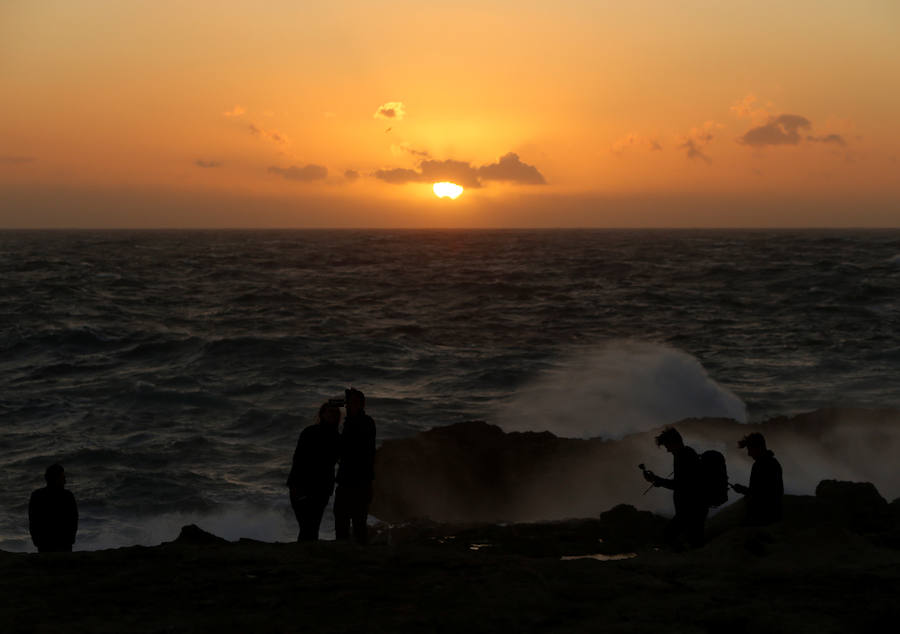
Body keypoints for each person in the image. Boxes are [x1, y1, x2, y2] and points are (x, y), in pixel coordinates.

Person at [642, 427, 708, 549]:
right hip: (692, 509)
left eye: (667, 445)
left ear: (674, 442)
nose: (667, 450)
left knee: (670, 537)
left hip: (691, 509)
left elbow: (681, 485)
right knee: (692, 541)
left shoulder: (684, 456)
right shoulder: (685, 454)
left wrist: (658, 480)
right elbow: (682, 483)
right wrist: (657, 480)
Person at [287, 401, 341, 541]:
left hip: (322, 489)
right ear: (322, 414)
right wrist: (295, 486)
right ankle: (304, 556)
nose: (333, 415)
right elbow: (298, 460)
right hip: (302, 486)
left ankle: (305, 556)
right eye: (330, 411)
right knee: (307, 527)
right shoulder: (310, 432)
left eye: (335, 412)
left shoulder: (337, 437)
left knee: (312, 527)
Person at [333, 388, 376, 544]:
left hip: (360, 483)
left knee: (359, 525)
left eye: (354, 403)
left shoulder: (365, 422)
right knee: (341, 523)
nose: (350, 405)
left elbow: (353, 447)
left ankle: (358, 557)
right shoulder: (350, 422)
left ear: (362, 404)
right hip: (347, 481)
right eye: (349, 403)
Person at [732, 432, 783, 526]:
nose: (749, 454)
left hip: (763, 517)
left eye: (750, 449)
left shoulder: (761, 465)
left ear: (759, 448)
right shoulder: (773, 463)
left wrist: (743, 490)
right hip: (772, 515)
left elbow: (762, 494)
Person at [29, 463, 78, 553]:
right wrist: (71, 539)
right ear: (55, 479)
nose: (65, 481)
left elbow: (33, 521)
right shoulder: (67, 496)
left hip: (46, 542)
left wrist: (36, 540)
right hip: (58, 542)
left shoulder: (37, 495)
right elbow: (73, 520)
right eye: (62, 478)